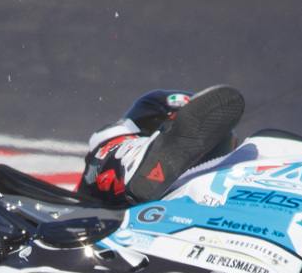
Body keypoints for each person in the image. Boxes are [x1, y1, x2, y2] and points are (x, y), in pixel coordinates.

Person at [77, 84, 245, 207]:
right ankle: (134, 161)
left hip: (209, 219)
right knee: (110, 150)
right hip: (105, 213)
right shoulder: (112, 141)